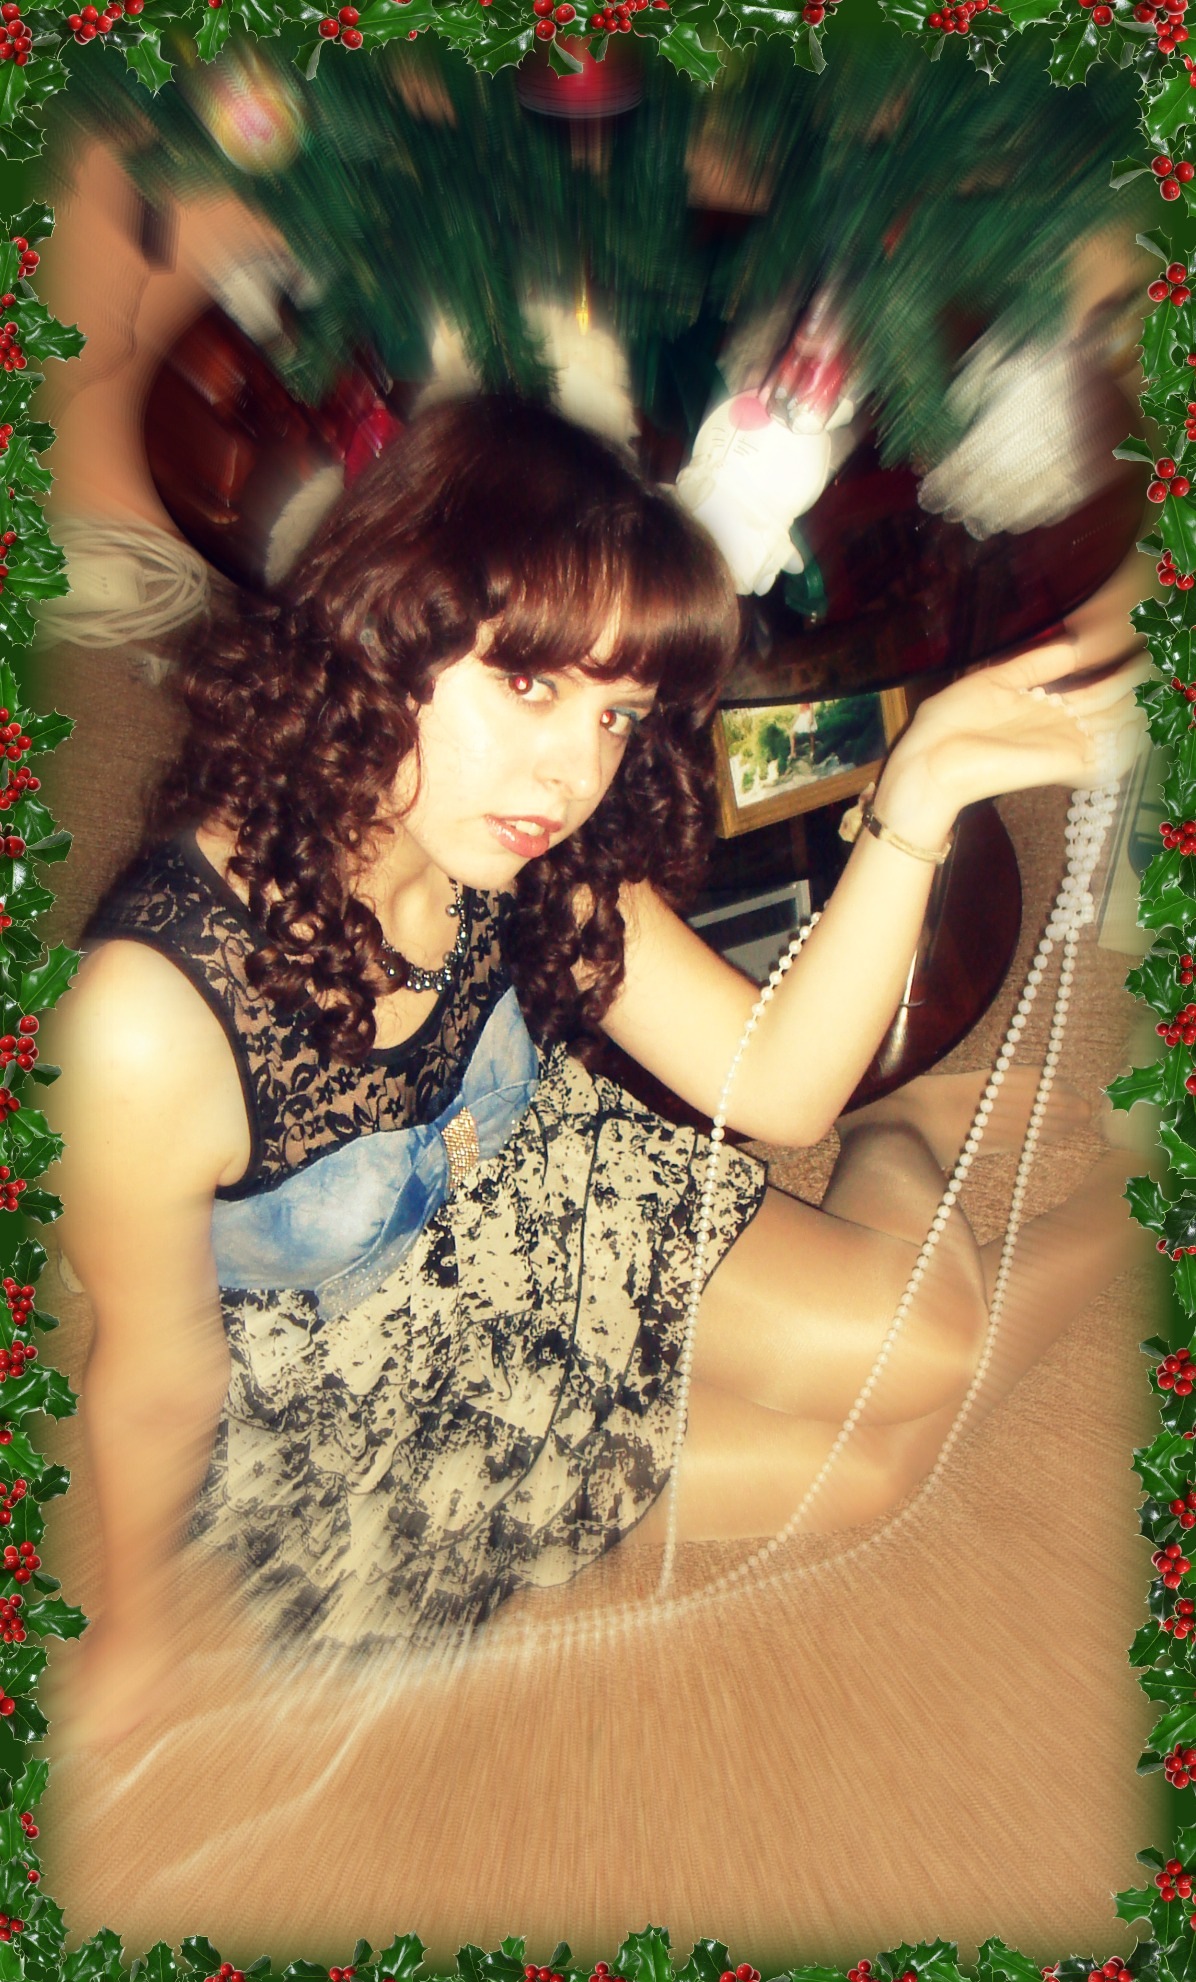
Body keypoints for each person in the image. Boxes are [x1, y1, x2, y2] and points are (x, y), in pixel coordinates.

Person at [51, 393, 1145, 1759]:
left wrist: (917, 793)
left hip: (537, 1190)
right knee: (864, 1468)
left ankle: (936, 1136)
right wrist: (135, 1633)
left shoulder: (510, 840)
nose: (573, 772)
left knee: (929, 1345)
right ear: (383, 629)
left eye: (619, 712)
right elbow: (155, 1372)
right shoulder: (146, 1021)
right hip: (361, 1384)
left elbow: (777, 1093)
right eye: (529, 683)